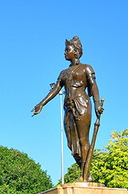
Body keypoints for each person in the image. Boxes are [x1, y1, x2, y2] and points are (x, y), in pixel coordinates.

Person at [32, 36, 104, 182]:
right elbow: (56, 89)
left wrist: (97, 103)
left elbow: (93, 85)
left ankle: (85, 175)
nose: (65, 52)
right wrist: (41, 103)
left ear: (76, 51)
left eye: (67, 49)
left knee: (83, 140)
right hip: (68, 108)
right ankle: (84, 172)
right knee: (72, 143)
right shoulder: (63, 72)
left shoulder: (86, 68)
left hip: (82, 104)